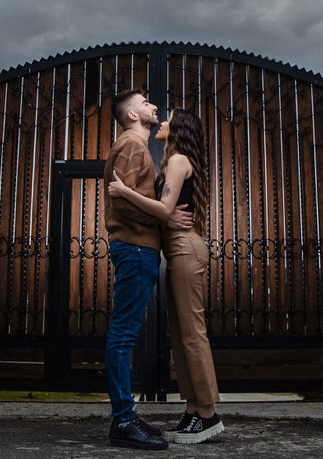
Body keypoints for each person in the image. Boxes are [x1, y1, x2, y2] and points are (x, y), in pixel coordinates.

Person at [110, 109, 224, 445]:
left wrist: (124, 191)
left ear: (179, 127)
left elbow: (163, 209)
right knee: (181, 334)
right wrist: (166, 217)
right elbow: (167, 213)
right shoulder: (173, 160)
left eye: (168, 118)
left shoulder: (177, 161)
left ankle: (208, 415)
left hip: (186, 251)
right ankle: (192, 410)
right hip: (177, 251)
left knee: (192, 334)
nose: (162, 122)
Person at [102, 88, 170, 450]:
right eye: (145, 103)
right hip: (135, 246)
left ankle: (126, 414)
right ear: (131, 115)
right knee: (124, 332)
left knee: (125, 331)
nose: (153, 106)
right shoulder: (132, 144)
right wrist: (162, 217)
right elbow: (123, 200)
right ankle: (123, 421)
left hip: (138, 246)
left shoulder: (136, 145)